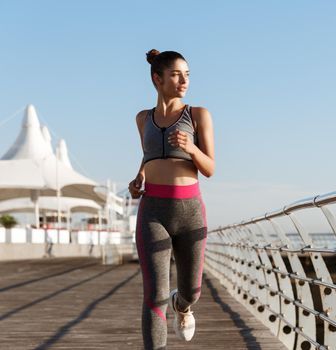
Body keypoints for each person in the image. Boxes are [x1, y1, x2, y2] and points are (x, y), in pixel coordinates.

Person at [128, 49, 215, 349]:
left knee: (192, 290)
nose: (184, 80)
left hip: (190, 211)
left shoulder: (198, 115)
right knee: (154, 296)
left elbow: (210, 168)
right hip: (153, 211)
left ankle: (184, 306)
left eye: (187, 74)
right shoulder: (143, 119)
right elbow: (149, 154)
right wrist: (139, 177)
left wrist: (191, 148)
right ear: (157, 78)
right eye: (177, 74)